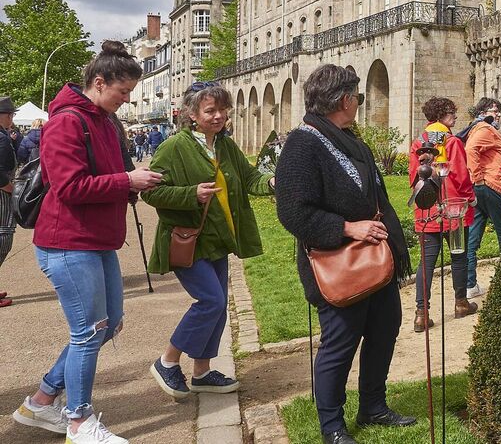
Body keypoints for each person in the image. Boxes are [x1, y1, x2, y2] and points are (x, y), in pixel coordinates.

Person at [11, 41, 162, 444]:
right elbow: (70, 186)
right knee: (89, 331)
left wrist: (128, 186)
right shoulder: (67, 121)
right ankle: (78, 422)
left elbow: (106, 176)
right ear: (99, 82)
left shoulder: (104, 120)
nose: (127, 100)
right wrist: (126, 182)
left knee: (106, 326)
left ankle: (41, 402)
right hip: (67, 242)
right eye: (123, 91)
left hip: (94, 241)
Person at [275, 64, 415, 444]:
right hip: (338, 262)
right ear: (345, 100)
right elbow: (293, 210)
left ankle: (373, 406)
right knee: (340, 342)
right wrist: (346, 228)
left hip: (374, 259)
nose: (359, 103)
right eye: (358, 96)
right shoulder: (303, 144)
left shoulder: (347, 138)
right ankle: (332, 427)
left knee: (384, 330)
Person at [142, 82, 274, 400]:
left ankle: (202, 372)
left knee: (219, 308)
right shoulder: (175, 147)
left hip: (218, 239)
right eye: (210, 110)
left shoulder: (225, 146)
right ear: (192, 114)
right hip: (188, 241)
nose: (218, 116)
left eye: (222, 110)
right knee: (211, 302)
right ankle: (167, 361)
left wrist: (272, 180)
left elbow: (249, 176)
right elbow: (149, 190)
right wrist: (192, 195)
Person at [409, 97, 478, 332]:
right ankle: (460, 303)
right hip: (454, 208)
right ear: (439, 116)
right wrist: (471, 197)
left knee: (426, 262)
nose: (455, 117)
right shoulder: (451, 141)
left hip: (427, 209)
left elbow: (413, 179)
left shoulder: (418, 142)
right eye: (451, 113)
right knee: (458, 255)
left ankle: (421, 314)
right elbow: (460, 175)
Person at [463, 98, 501, 299]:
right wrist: (477, 177)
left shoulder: (479, 129)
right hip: (492, 186)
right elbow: (471, 151)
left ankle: (470, 284)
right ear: (483, 112)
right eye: (494, 111)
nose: (498, 114)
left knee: (474, 236)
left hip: (483, 187)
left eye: (499, 111)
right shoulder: (484, 128)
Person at [0, 95, 18, 309]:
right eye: (10, 114)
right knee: (3, 237)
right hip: (2, 193)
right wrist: (11, 190)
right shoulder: (1, 137)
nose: (11, 118)